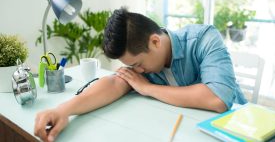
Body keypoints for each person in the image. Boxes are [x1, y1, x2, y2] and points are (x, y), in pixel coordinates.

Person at [34, 7, 247, 142]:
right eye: (131, 66)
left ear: (155, 41)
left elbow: (217, 98)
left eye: (138, 64)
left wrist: (148, 88)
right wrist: (63, 110)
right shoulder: (140, 65)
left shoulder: (204, 38)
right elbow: (115, 83)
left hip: (239, 129)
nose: (136, 72)